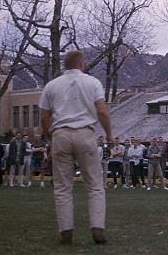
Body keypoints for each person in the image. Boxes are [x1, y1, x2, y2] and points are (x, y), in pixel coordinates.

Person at [39, 50, 114, 245]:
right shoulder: (93, 83)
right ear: (81, 64)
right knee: (95, 185)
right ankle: (98, 229)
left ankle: (66, 232)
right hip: (85, 134)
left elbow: (44, 117)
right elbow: (102, 111)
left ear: (65, 65)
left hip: (60, 134)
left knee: (63, 187)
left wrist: (51, 135)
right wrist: (109, 134)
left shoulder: (51, 86)